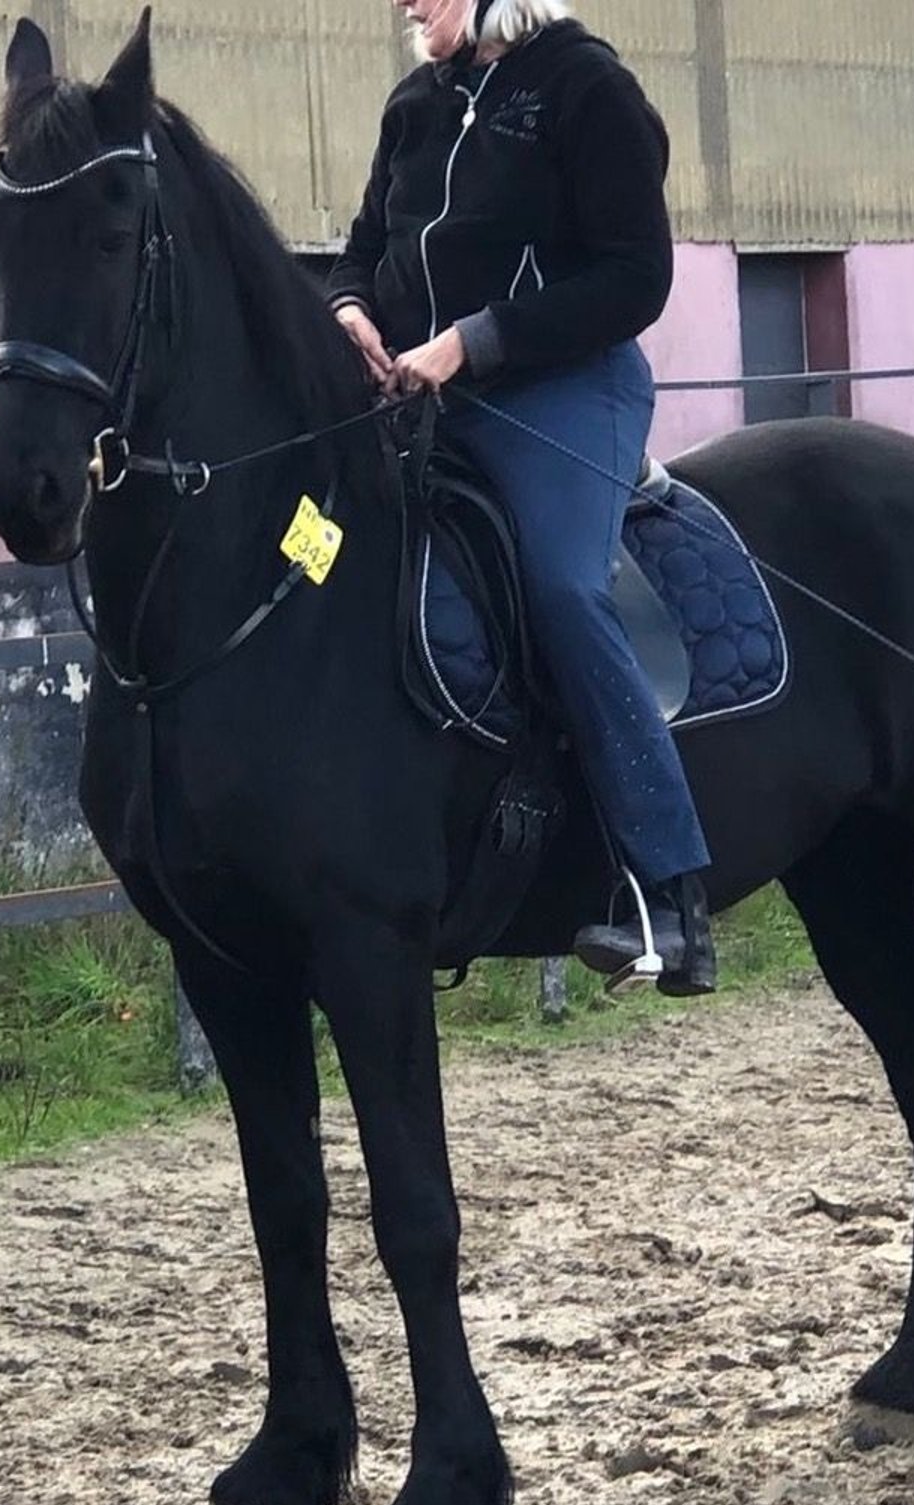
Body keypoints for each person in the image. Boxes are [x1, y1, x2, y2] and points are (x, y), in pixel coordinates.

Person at [325, 0, 715, 995]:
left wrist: (473, 342)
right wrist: (352, 310)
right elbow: (365, 243)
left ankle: (667, 890)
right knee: (310, 551)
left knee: (558, 587)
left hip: (565, 391)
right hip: (421, 397)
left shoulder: (589, 88)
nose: (408, 4)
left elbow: (636, 278)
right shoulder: (416, 102)